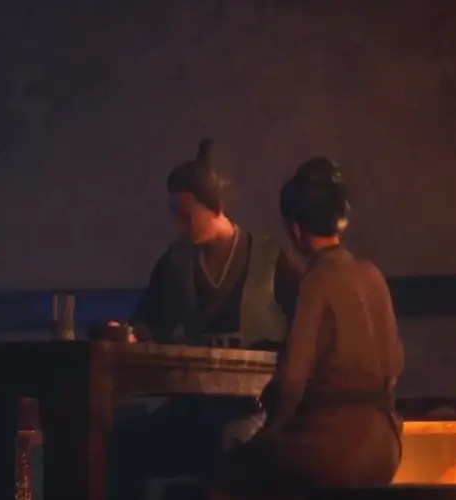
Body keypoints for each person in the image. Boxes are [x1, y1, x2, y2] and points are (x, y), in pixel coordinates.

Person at [105, 139, 304, 500]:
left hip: (255, 407)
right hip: (195, 403)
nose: (181, 224)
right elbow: (151, 322)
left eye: (188, 214)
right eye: (175, 215)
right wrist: (130, 334)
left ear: (214, 207)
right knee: (122, 447)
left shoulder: (271, 257)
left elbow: (304, 327)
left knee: (234, 456)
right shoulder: (176, 262)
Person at [207, 157, 405, 499]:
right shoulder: (372, 275)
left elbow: (292, 380)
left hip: (333, 448)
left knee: (225, 468)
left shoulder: (316, 281)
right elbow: (396, 363)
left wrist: (270, 427)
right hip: (386, 446)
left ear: (296, 230)